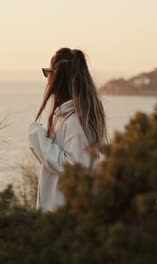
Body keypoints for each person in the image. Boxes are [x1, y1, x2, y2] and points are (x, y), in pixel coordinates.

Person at [28, 48, 108, 212]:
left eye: (49, 73)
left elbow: (76, 170)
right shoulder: (69, 116)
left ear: (58, 79)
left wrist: (38, 138)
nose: (48, 79)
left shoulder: (74, 121)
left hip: (64, 219)